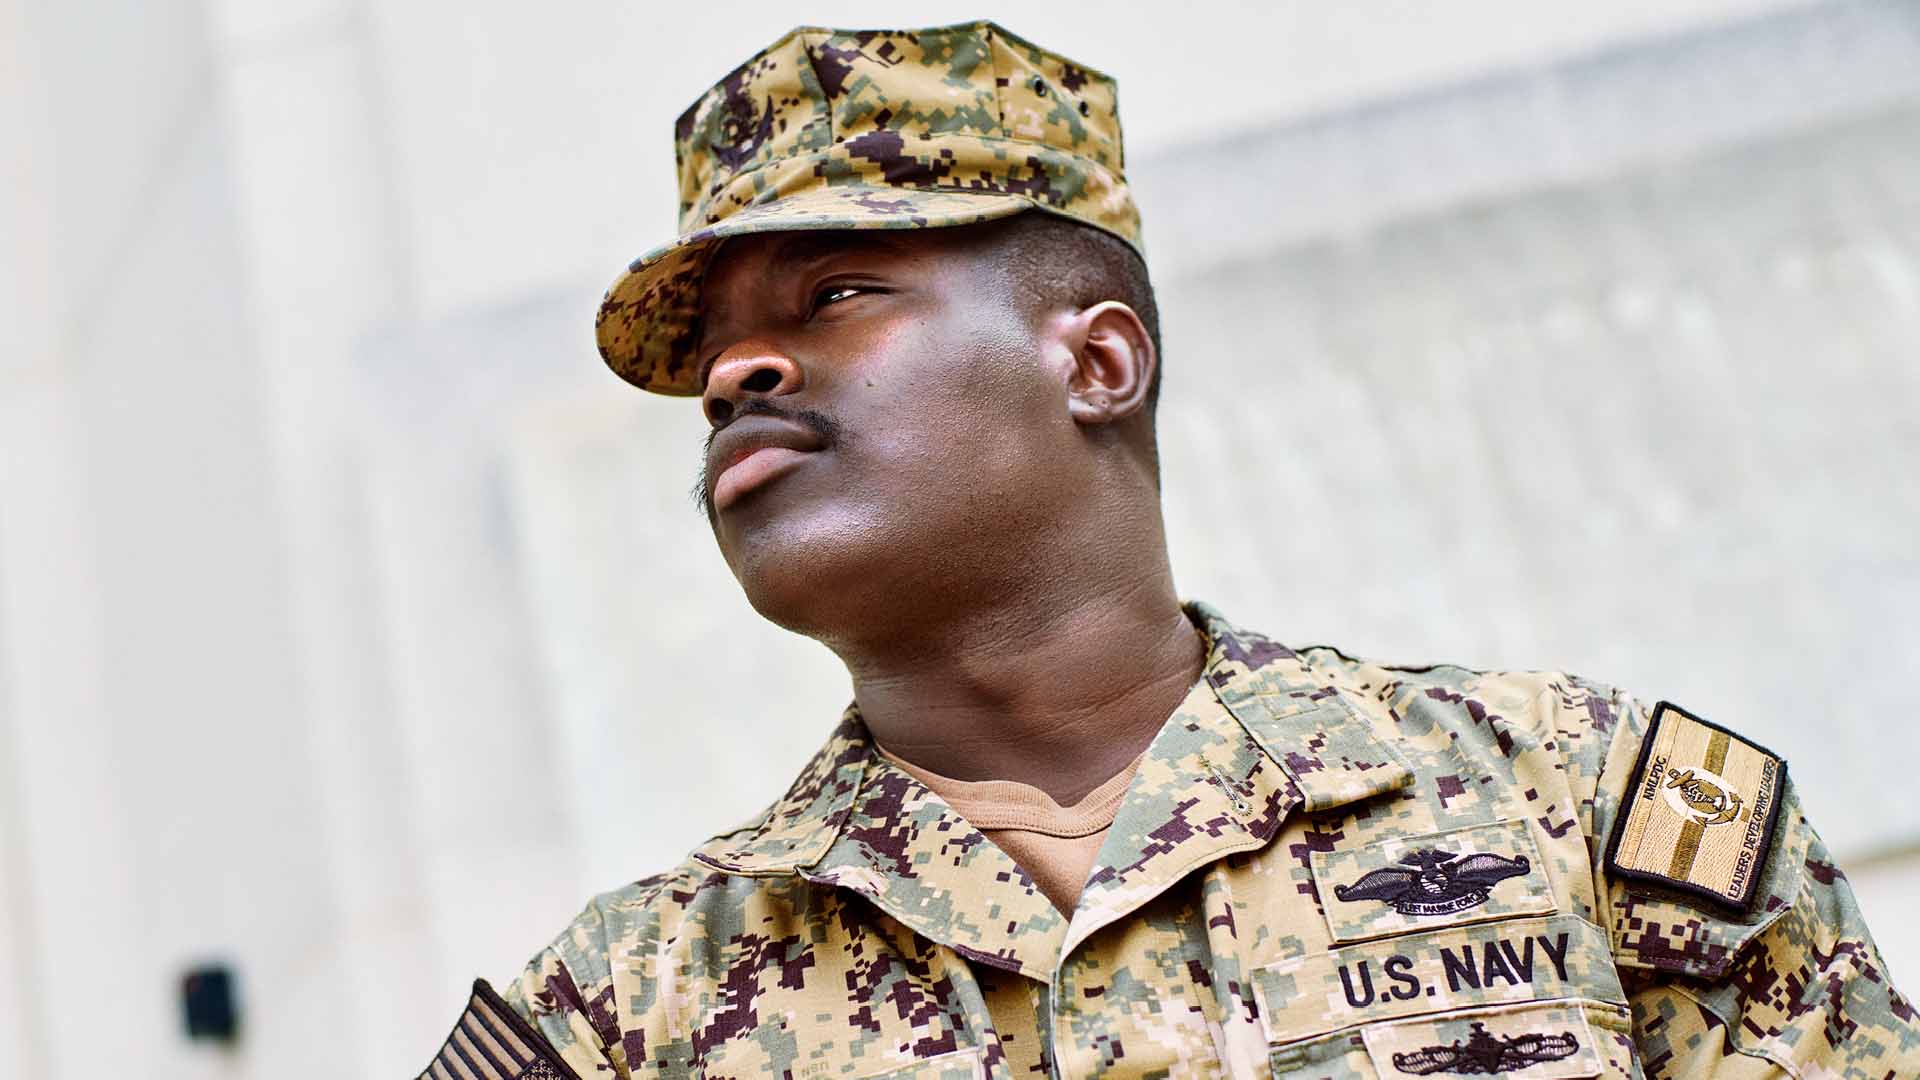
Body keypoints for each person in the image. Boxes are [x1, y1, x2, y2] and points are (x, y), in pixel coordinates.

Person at [416, 20, 1918, 1080]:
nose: (741, 374)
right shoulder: (625, 1015)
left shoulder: (1593, 817)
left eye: (837, 295)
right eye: (717, 357)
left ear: (1097, 362)